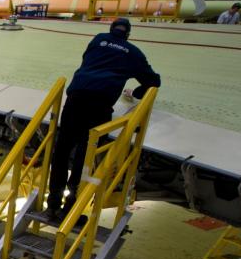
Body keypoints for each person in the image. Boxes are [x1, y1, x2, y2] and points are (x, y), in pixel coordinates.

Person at [46, 18, 160, 221]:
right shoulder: (133, 53)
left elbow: (86, 59)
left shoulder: (98, 40)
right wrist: (138, 91)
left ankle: (52, 205)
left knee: (62, 151)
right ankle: (70, 209)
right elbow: (154, 81)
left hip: (76, 98)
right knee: (84, 156)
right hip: (99, 105)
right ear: (128, 34)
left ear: (110, 29)